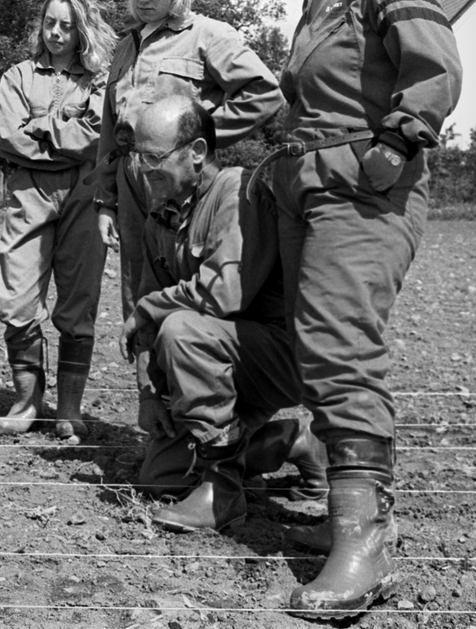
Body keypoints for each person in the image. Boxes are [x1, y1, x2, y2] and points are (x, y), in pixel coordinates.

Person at [253, 0, 462, 618]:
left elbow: (434, 66)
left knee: (341, 350)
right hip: (309, 191)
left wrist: (396, 145)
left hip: (363, 197)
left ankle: (363, 547)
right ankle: (354, 514)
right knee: (312, 348)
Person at [121, 97, 326, 532]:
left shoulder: (239, 190)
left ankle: (223, 492)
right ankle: (291, 441)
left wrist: (148, 309)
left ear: (196, 152)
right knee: (161, 478)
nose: (141, 168)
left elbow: (224, 293)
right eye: (137, 155)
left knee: (180, 330)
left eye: (153, 156)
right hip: (211, 365)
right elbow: (144, 323)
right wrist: (148, 395)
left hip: (274, 361)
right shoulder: (157, 217)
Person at [94, 0, 283, 330]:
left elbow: (264, 94)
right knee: (138, 291)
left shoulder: (209, 35)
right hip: (133, 181)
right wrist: (106, 202)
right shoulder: (126, 47)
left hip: (183, 179)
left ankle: (193, 374)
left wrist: (199, 139)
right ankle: (150, 390)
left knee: (190, 278)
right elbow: (112, 134)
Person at [0, 0, 117, 441]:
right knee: (16, 299)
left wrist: (42, 128)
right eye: (50, 23)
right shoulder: (16, 77)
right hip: (29, 197)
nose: (56, 33)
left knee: (79, 305)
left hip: (87, 196)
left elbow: (100, 134)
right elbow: (10, 138)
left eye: (67, 25)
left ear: (82, 28)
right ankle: (27, 402)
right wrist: (65, 135)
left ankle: (69, 408)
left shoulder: (102, 79)